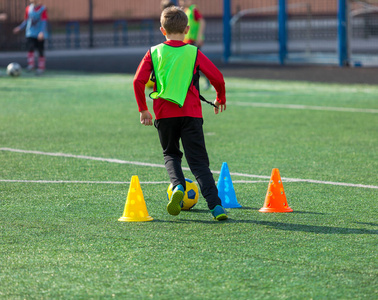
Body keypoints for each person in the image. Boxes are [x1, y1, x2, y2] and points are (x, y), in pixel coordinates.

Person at [133, 6, 228, 221]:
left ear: (162, 30)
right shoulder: (193, 52)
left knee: (171, 154)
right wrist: (220, 98)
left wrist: (143, 109)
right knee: (199, 163)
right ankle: (216, 207)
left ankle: (177, 187)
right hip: (191, 114)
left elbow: (138, 81)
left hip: (164, 114)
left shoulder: (153, 52)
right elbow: (218, 77)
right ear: (186, 29)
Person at [13, 0, 48, 74]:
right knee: (30, 48)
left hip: (39, 34)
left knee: (40, 50)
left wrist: (41, 32)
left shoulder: (43, 9)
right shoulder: (28, 8)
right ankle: (30, 65)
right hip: (30, 33)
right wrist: (20, 27)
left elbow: (44, 21)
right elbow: (26, 20)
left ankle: (41, 67)